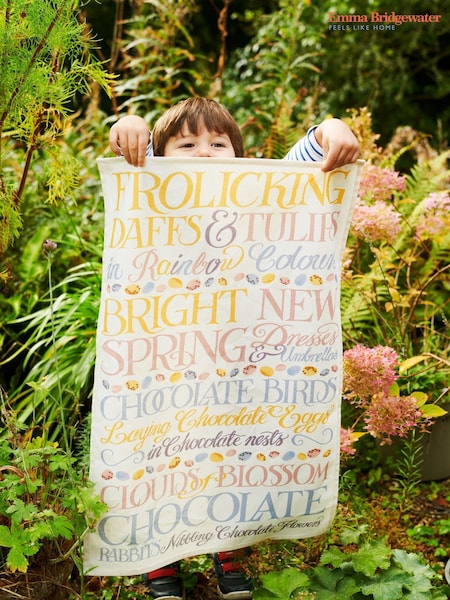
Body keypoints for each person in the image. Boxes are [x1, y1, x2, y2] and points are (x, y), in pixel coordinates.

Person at [108, 97, 360, 600]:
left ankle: (228, 548)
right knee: (164, 449)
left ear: (239, 157)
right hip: (166, 351)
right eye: (186, 145)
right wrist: (130, 126)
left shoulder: (254, 194)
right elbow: (128, 145)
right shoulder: (151, 185)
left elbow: (303, 164)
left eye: (218, 143)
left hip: (236, 355)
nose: (204, 152)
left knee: (229, 448)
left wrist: (331, 128)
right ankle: (160, 559)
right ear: (160, 157)